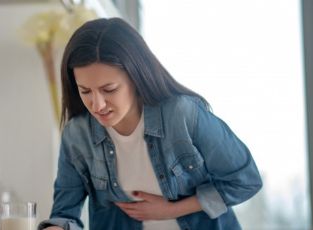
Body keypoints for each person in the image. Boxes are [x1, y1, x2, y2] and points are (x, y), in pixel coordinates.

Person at [38, 17, 262, 230]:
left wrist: (172, 209)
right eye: (85, 91)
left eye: (109, 90)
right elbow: (65, 214)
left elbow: (245, 180)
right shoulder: (77, 135)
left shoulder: (181, 114)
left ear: (135, 77)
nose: (97, 104)